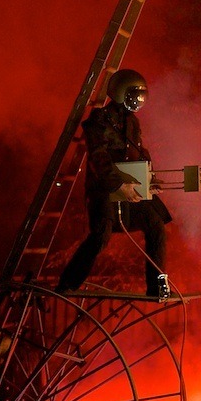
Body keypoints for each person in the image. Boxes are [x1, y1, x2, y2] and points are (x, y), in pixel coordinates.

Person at [57, 68, 172, 298]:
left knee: (156, 225)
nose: (139, 101)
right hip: (105, 190)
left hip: (130, 190)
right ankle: (68, 283)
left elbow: (139, 153)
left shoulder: (132, 122)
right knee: (101, 235)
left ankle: (156, 286)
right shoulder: (98, 121)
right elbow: (98, 156)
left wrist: (149, 180)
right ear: (121, 93)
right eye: (135, 95)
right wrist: (119, 186)